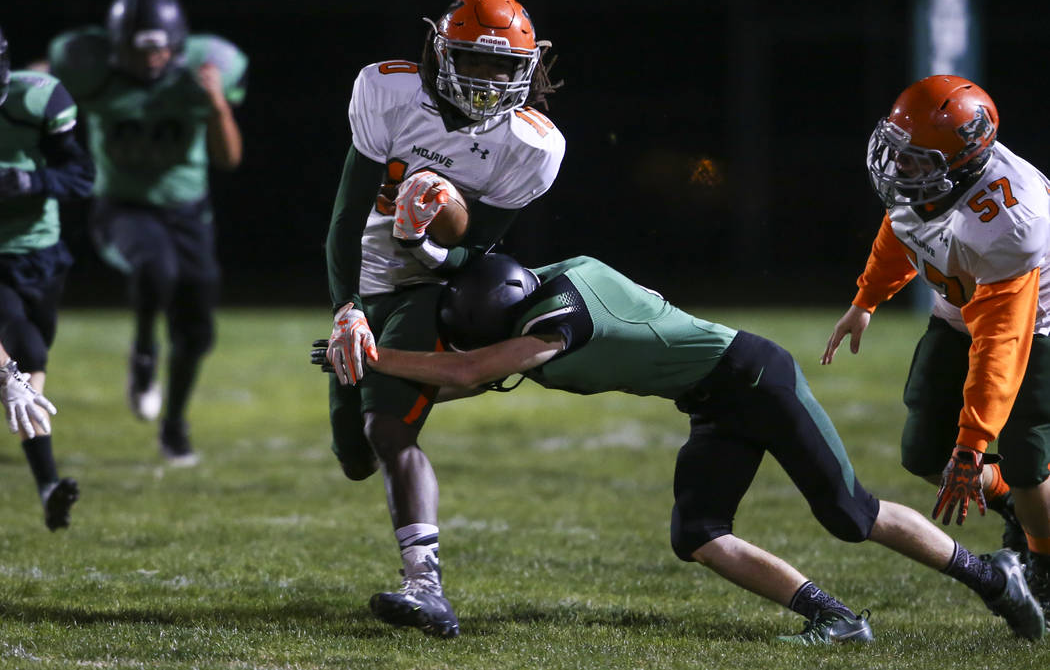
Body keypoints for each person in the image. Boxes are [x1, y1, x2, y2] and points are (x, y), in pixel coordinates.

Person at [315, 252, 1045, 643]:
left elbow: (471, 368)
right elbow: (470, 376)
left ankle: (992, 576)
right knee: (696, 533)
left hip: (757, 377)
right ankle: (835, 617)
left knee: (847, 512)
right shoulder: (542, 298)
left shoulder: (560, 322)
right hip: (712, 397)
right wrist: (388, 391)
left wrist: (374, 359)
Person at [323, 0, 564, 637]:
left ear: (527, 68)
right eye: (472, 62)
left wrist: (427, 239)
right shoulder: (390, 93)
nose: (486, 81)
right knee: (352, 451)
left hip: (427, 287)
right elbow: (346, 221)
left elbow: (474, 253)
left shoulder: (531, 145)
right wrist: (346, 308)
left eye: (500, 68)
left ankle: (425, 583)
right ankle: (392, 383)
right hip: (366, 277)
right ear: (439, 51)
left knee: (387, 428)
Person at [822, 75, 1050, 615]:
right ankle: (1012, 507)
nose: (899, 167)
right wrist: (866, 299)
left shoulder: (1012, 221)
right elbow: (902, 231)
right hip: (960, 305)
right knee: (923, 451)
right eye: (898, 152)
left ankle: (1043, 562)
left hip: (1035, 323)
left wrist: (973, 444)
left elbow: (1001, 340)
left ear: (964, 162)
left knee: (1025, 463)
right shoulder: (929, 181)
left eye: (916, 160)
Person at [43, 0, 248, 465]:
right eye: (139, 49)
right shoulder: (89, 68)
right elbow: (44, 91)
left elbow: (229, 159)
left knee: (196, 327)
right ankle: (142, 354)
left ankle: (174, 424)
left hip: (189, 212)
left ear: (175, 43)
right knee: (156, 269)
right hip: (122, 207)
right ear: (116, 46)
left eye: (159, 47)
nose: (151, 59)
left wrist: (217, 104)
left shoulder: (203, 69)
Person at [0, 24, 92, 529]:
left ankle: (46, 487)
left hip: (41, 253)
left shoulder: (37, 99)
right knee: (25, 353)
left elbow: (81, 178)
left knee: (32, 365)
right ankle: (49, 483)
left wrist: (30, 180)